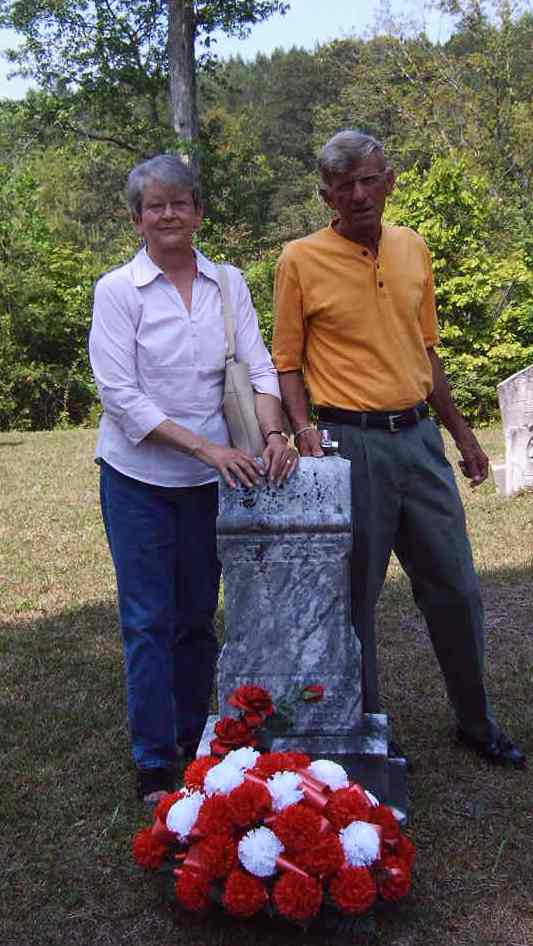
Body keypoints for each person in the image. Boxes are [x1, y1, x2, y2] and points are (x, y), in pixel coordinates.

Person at [272, 129, 525, 768]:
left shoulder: (413, 247)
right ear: (327, 192)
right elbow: (287, 362)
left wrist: (462, 433)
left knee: (456, 586)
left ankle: (474, 720)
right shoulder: (298, 260)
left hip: (418, 439)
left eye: (370, 180)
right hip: (347, 445)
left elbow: (425, 350)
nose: (360, 194)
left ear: (388, 181)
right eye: (345, 184)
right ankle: (367, 729)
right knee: (357, 598)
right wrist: (304, 434)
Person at [90, 154, 297, 804]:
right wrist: (209, 450)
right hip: (139, 481)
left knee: (196, 618)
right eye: (156, 205)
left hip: (211, 486)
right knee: (149, 620)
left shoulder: (226, 283)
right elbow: (121, 397)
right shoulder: (118, 291)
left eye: (181, 202)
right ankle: (154, 763)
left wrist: (271, 435)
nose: (170, 214)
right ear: (136, 218)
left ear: (199, 212)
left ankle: (191, 740)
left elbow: (259, 370)